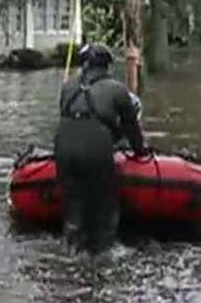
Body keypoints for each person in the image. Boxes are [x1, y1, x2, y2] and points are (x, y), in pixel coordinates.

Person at [55, 43, 147, 255]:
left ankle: (70, 245)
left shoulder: (68, 86)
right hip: (95, 151)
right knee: (105, 206)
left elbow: (66, 116)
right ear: (107, 66)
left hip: (63, 149)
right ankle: (101, 253)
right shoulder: (117, 89)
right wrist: (140, 152)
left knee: (72, 204)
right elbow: (132, 129)